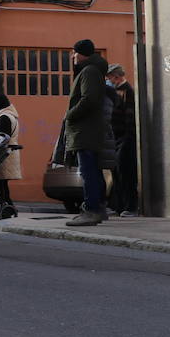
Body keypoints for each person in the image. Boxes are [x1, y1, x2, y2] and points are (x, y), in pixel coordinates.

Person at [64, 39, 117, 227]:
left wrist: (69, 114)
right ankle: (97, 208)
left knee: (88, 172)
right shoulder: (92, 70)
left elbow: (89, 99)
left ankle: (92, 210)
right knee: (93, 170)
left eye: (75, 52)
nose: (73, 56)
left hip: (85, 130)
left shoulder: (89, 71)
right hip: (88, 130)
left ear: (83, 54)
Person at [107, 64, 139, 217]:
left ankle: (130, 206)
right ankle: (118, 206)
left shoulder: (127, 91)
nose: (108, 80)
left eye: (110, 77)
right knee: (117, 173)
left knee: (126, 173)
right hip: (116, 137)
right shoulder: (116, 92)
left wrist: (127, 137)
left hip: (125, 138)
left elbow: (130, 117)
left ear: (116, 76)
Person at [0, 93, 21, 219]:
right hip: (5, 154)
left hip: (3, 155)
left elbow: (2, 137)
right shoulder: (7, 115)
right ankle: (8, 208)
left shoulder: (4, 117)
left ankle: (7, 208)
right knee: (1, 184)